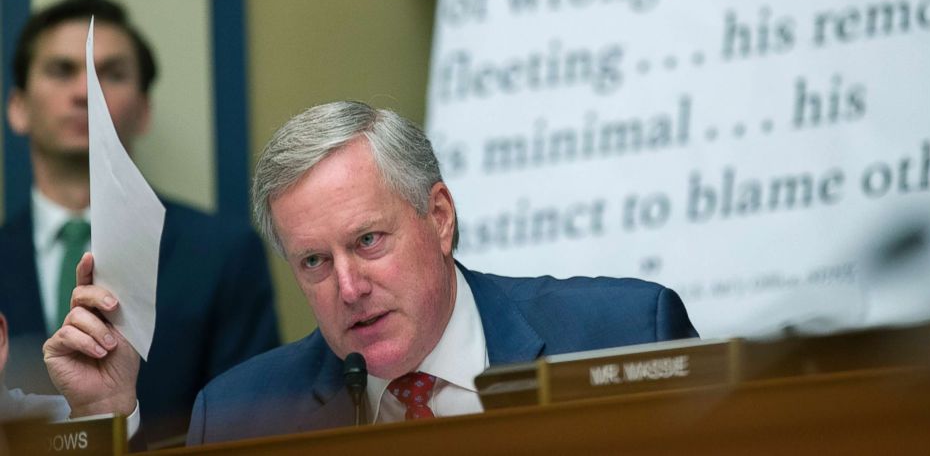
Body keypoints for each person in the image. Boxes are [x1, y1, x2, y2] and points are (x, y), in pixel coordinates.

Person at [44, 101, 697, 445]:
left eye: (368, 240)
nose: (349, 288)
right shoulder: (244, 413)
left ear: (439, 217)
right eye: (315, 262)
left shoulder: (627, 333)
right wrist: (105, 418)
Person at [0, 0, 280, 445]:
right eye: (61, 70)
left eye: (110, 74)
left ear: (145, 109)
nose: (83, 91)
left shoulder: (222, 254)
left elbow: (250, 431)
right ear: (17, 107)